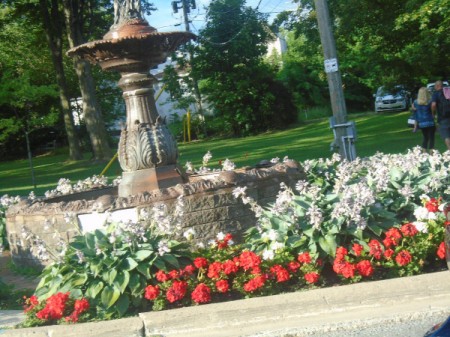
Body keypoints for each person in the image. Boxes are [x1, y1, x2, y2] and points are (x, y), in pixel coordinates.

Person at [412, 87, 435, 152]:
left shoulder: (415, 102)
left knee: (425, 138)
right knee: (432, 138)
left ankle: (424, 154)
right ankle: (432, 155)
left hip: (422, 123)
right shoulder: (430, 101)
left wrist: (415, 126)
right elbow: (433, 110)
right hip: (430, 122)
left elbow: (415, 114)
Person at [431, 80, 450, 151]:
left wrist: (433, 113)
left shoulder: (436, 94)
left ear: (437, 86)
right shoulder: (448, 91)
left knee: (446, 135)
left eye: (435, 86)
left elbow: (433, 104)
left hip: (443, 117)